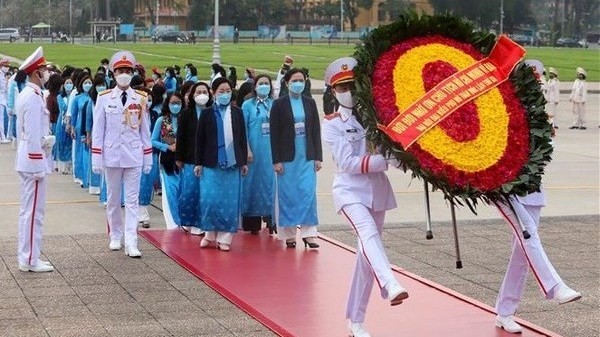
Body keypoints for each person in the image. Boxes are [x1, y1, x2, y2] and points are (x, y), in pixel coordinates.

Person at [321, 57, 408, 337]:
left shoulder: (378, 117)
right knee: (368, 235)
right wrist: (384, 160)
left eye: (353, 85)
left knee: (365, 257)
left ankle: (355, 321)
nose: (349, 91)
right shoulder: (332, 124)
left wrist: (408, 158)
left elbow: (395, 156)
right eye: (342, 87)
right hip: (349, 192)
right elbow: (347, 163)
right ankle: (390, 283)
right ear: (333, 92)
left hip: (377, 192)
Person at [91, 51, 152, 258]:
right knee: (113, 199)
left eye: (127, 70)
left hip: (134, 155)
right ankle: (115, 235)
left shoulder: (141, 98)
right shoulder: (104, 98)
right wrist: (97, 157)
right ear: (114, 73)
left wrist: (148, 157)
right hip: (111, 155)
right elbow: (98, 130)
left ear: (132, 72)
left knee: (133, 201)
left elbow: (145, 131)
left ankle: (132, 241)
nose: (124, 74)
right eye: (120, 71)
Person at [494, 190, 581, 333]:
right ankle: (556, 287)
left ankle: (505, 311)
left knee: (521, 254)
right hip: (503, 187)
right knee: (528, 234)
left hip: (531, 188)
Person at [270, 67, 322, 249]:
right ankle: (289, 235)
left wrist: (318, 157)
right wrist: (275, 160)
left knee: (308, 194)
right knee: (288, 196)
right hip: (287, 158)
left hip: (306, 156)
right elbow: (274, 134)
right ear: (287, 83)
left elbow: (315, 130)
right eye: (294, 81)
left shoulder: (310, 103)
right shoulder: (278, 104)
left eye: (301, 80)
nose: (298, 84)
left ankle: (309, 234)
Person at [194, 77, 248, 251]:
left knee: (229, 202)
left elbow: (241, 138)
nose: (225, 94)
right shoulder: (207, 113)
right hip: (211, 164)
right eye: (221, 91)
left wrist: (244, 161)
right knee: (210, 201)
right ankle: (209, 234)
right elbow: (200, 140)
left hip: (232, 165)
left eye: (228, 91)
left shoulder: (237, 113)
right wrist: (198, 163)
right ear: (214, 93)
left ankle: (225, 237)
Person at [15, 47, 55, 272]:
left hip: (32, 158)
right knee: (33, 213)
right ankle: (29, 258)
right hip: (32, 161)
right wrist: (38, 163)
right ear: (35, 73)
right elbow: (31, 135)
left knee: (30, 211)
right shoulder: (31, 97)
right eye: (43, 69)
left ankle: (29, 256)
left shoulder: (33, 95)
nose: (46, 72)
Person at [241, 75, 276, 234]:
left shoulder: (274, 104)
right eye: (261, 84)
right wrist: (247, 149)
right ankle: (252, 222)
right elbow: (243, 130)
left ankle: (271, 220)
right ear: (255, 87)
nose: (264, 86)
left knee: (270, 185)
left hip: (271, 152)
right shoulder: (248, 105)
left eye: (266, 84)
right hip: (254, 152)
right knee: (252, 185)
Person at [176, 82, 212, 235]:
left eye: (204, 91)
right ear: (193, 95)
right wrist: (179, 157)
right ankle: (187, 221)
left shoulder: (212, 112)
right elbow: (181, 137)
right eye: (198, 92)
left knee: (204, 192)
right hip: (190, 158)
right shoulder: (186, 113)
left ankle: (201, 222)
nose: (202, 94)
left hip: (207, 159)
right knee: (190, 191)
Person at [152, 93, 184, 229]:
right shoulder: (161, 120)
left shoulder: (186, 119)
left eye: (178, 103)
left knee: (183, 191)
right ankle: (173, 223)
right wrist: (167, 147)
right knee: (170, 191)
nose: (175, 106)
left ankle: (184, 221)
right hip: (167, 160)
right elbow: (152, 140)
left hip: (184, 160)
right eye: (172, 103)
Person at [0, 58, 11, 143]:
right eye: (5, 65)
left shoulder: (3, 74)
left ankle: (3, 137)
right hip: (1, 98)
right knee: (1, 119)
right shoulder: (1, 75)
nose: (7, 67)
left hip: (3, 98)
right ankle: (3, 137)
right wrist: (7, 81)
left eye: (8, 66)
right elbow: (4, 88)